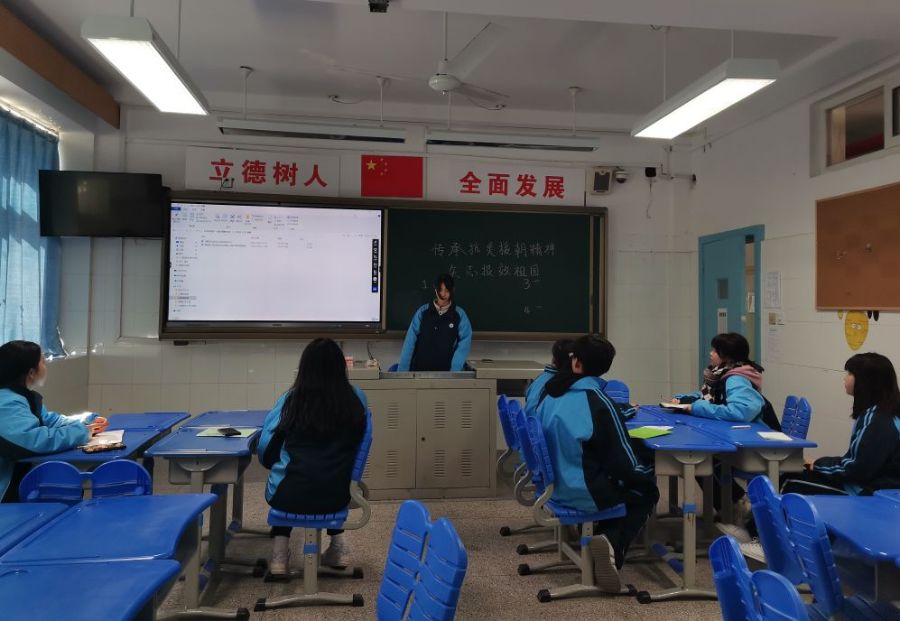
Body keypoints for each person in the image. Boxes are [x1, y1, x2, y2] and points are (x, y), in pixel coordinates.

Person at [725, 352, 900, 545]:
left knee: (789, 482)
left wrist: (817, 465)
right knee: (790, 475)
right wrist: (817, 464)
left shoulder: (876, 419)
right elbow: (858, 461)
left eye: (850, 373)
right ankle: (761, 532)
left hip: (867, 493)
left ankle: (760, 540)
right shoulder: (882, 413)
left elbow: (856, 468)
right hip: (871, 486)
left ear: (866, 381)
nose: (845, 378)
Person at [536, 334, 658, 593]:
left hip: (553, 487)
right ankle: (612, 543)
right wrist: (649, 470)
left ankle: (602, 538)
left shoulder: (550, 394)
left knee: (619, 478)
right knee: (645, 490)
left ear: (576, 362)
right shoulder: (598, 402)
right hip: (584, 491)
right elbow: (624, 464)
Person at [257, 338, 369, 575]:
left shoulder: (291, 400)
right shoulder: (356, 399)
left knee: (288, 476)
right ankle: (339, 547)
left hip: (288, 496)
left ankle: (279, 554)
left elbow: (267, 451)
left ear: (304, 367)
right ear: (341, 367)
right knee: (330, 473)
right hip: (338, 495)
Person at [0, 340, 107, 503]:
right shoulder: (6, 402)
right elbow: (33, 440)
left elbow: (50, 420)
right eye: (43, 361)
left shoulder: (21, 396)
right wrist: (82, 432)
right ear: (31, 372)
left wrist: (86, 420)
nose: (46, 365)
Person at [670, 332, 779, 427]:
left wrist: (697, 408)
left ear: (728, 357)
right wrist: (685, 400)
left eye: (715, 351)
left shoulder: (736, 379)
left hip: (759, 436)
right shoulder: (723, 373)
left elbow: (740, 412)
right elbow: (715, 395)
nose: (710, 353)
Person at [397, 273, 472, 372]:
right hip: (419, 372)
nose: (443, 294)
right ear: (435, 289)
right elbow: (410, 342)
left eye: (447, 290)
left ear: (452, 290)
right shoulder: (423, 312)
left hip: (446, 374)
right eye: (440, 290)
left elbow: (464, 345)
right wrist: (402, 372)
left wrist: (454, 372)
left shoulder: (459, 315)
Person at [523, 338, 573, 419]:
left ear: (554, 359)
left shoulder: (541, 377)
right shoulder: (561, 384)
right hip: (539, 424)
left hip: (529, 422)